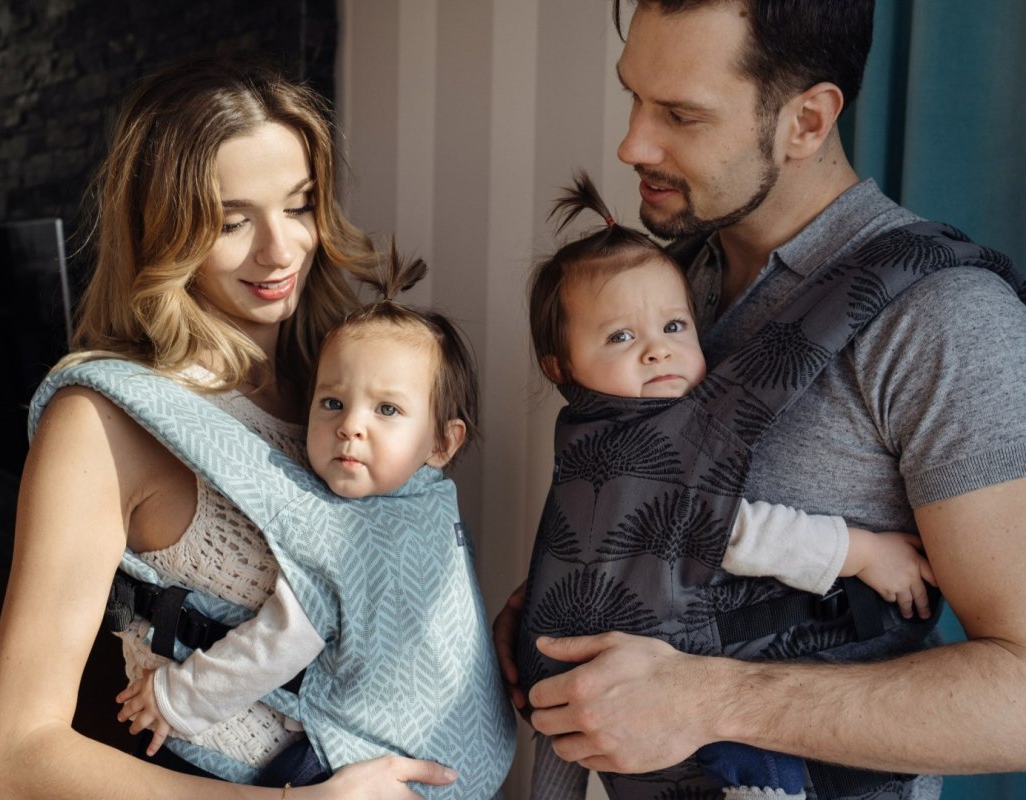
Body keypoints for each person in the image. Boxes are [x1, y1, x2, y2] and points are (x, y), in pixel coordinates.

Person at [494, 1, 1026, 798]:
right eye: (634, 95)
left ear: (806, 121)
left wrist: (705, 700)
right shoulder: (654, 290)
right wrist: (562, 604)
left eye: (681, 114)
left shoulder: (945, 322)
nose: (632, 144)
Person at [0, 56, 459, 799]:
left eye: (298, 206)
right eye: (232, 222)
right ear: (163, 231)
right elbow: (11, 759)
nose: (280, 250)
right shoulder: (106, 421)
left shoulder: (346, 385)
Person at [521, 174, 936, 800]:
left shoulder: (595, 432)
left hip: (592, 673)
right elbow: (734, 532)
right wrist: (863, 552)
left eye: (674, 327)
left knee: (562, 732)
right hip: (638, 678)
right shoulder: (625, 442)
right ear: (561, 367)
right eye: (621, 336)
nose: (657, 352)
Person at [99, 253, 515, 796]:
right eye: (333, 402)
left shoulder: (341, 534)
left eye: (387, 410)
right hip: (477, 760)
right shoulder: (435, 504)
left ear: (442, 443)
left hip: (374, 757)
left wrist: (177, 699)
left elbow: (279, 643)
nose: (351, 427)